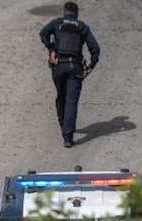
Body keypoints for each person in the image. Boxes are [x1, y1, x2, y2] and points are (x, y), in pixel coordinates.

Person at [40, 2, 101, 148]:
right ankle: (68, 137)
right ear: (77, 13)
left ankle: (63, 124)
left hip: (58, 67)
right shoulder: (82, 27)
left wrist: (51, 49)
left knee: (61, 97)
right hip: (75, 68)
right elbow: (95, 49)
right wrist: (91, 66)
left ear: (63, 12)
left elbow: (43, 33)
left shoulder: (57, 23)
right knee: (71, 101)